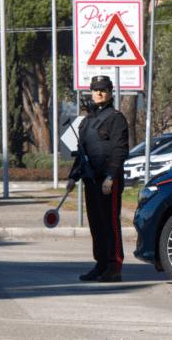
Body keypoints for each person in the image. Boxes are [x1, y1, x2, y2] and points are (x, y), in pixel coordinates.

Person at [67, 75, 129, 283]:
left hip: (107, 181)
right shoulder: (86, 121)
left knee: (110, 223)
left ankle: (114, 266)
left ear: (111, 92)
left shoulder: (116, 118)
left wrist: (111, 176)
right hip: (90, 180)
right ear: (91, 92)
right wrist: (72, 177)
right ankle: (101, 263)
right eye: (95, 90)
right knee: (96, 224)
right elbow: (82, 152)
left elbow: (120, 150)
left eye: (103, 89)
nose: (99, 93)